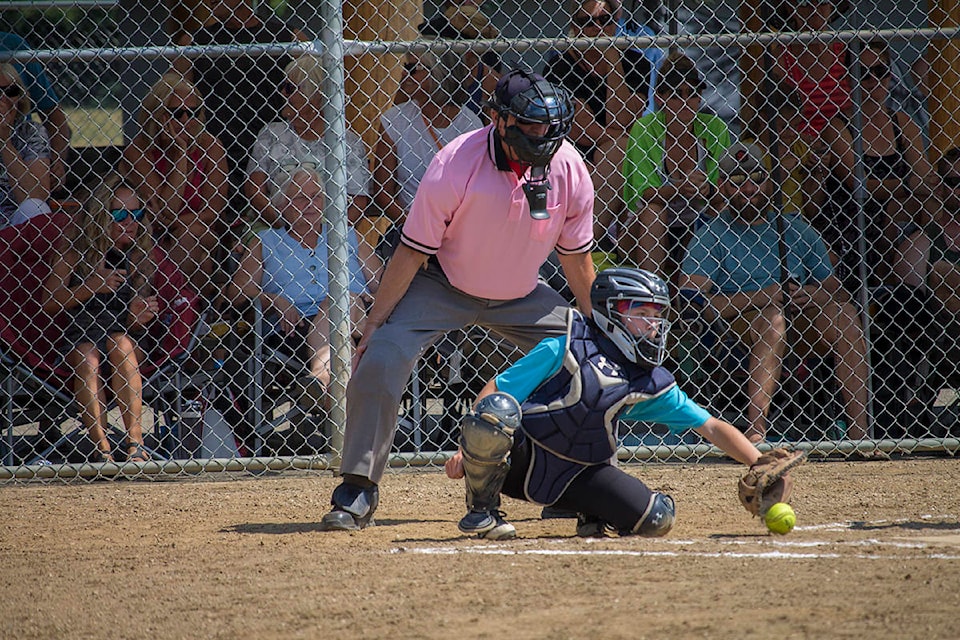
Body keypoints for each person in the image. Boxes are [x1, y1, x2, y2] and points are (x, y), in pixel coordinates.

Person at [318, 69, 596, 532]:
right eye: (527, 126)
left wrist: (599, 330)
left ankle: (566, 482)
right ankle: (358, 486)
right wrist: (375, 324)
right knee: (383, 357)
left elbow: (578, 262)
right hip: (442, 285)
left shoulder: (569, 167)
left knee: (589, 357)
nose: (540, 136)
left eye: (547, 126)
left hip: (521, 293)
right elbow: (410, 252)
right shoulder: (455, 162)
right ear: (497, 120)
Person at [443, 268, 767, 539]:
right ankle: (482, 511)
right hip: (520, 462)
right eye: (641, 315)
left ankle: (591, 510)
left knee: (656, 518)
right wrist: (469, 451)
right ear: (611, 314)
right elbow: (498, 388)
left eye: (656, 317)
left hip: (579, 476)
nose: (653, 327)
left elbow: (709, 425)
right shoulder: (567, 345)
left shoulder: (645, 379)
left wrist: (759, 462)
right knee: (498, 410)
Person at [678, 142, 883, 458]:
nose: (749, 188)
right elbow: (695, 304)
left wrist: (814, 293)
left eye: (757, 178)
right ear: (722, 186)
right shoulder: (712, 234)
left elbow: (837, 289)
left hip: (801, 316)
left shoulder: (794, 228)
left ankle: (860, 435)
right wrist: (769, 294)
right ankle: (756, 430)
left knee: (843, 314)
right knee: (771, 317)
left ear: (770, 181)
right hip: (741, 324)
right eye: (737, 181)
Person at [233, 162, 369, 411]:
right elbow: (238, 293)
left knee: (339, 301)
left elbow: (381, 284)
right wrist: (275, 300)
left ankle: (320, 379)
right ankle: (335, 407)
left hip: (357, 315)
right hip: (295, 327)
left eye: (316, 196)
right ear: (281, 203)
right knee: (341, 332)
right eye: (299, 198)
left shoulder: (347, 235)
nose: (309, 204)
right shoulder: (266, 241)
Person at [40, 174, 158, 463]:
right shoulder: (75, 249)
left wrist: (138, 316)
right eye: (118, 214)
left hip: (124, 333)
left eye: (136, 214)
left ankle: (135, 443)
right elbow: (50, 302)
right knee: (86, 357)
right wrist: (92, 286)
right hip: (84, 330)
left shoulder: (140, 253)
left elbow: (135, 315)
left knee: (120, 344)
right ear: (99, 216)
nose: (128, 222)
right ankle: (101, 448)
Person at [244, 56, 380, 288]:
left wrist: (327, 232)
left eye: (290, 88)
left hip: (329, 230)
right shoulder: (271, 134)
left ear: (316, 94)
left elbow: (359, 199)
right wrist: (286, 226)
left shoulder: (345, 141)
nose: (282, 93)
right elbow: (254, 189)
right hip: (274, 227)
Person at [174, 0, 308, 222]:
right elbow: (173, 101)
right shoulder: (194, 43)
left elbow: (315, 91)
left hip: (273, 152)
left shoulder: (287, 37)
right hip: (216, 152)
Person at [822, 40, 938, 291]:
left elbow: (926, 177)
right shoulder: (839, 127)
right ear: (850, 79)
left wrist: (914, 188)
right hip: (853, 226)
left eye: (881, 71)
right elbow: (858, 184)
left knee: (924, 209)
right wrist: (908, 186)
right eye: (864, 74)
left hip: (899, 222)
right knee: (903, 207)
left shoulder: (902, 122)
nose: (874, 80)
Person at [622, 51, 731, 278]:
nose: (685, 102)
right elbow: (644, 195)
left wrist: (707, 189)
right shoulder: (645, 129)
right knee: (654, 212)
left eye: (692, 94)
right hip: (645, 227)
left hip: (698, 218)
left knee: (721, 210)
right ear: (660, 98)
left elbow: (725, 189)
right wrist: (681, 188)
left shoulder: (715, 127)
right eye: (676, 94)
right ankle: (653, 295)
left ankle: (704, 291)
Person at [122, 72, 229, 296]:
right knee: (201, 263)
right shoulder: (138, 149)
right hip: (147, 233)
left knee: (190, 235)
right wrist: (181, 155)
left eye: (192, 113)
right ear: (157, 114)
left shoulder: (211, 146)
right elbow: (163, 209)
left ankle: (167, 304)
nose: (185, 120)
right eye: (176, 113)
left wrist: (175, 223)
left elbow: (213, 213)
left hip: (197, 230)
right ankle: (188, 309)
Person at [373, 50, 482, 242]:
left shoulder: (471, 125)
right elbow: (383, 194)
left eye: (412, 68)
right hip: (409, 227)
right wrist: (419, 232)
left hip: (461, 231)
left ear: (438, 73)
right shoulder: (394, 121)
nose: (404, 74)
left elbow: (477, 191)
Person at [0, 32, 71, 194]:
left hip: (21, 159)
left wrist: (56, 161)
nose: (3, 99)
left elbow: (54, 115)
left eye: (11, 91)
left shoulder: (13, 45)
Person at [0, 62, 52, 229]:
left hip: (15, 227)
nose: (3, 99)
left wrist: (4, 140)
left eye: (11, 91)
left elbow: (37, 199)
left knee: (34, 207)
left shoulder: (30, 132)